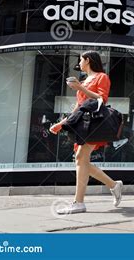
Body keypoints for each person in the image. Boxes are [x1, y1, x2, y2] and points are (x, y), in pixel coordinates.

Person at [50, 51, 123, 214]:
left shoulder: (101, 77)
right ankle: (113, 185)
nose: (79, 64)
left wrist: (79, 87)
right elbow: (78, 107)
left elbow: (101, 99)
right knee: (82, 161)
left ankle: (79, 203)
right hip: (83, 123)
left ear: (88, 60)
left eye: (80, 60)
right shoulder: (83, 81)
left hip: (95, 124)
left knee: (80, 158)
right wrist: (61, 124)